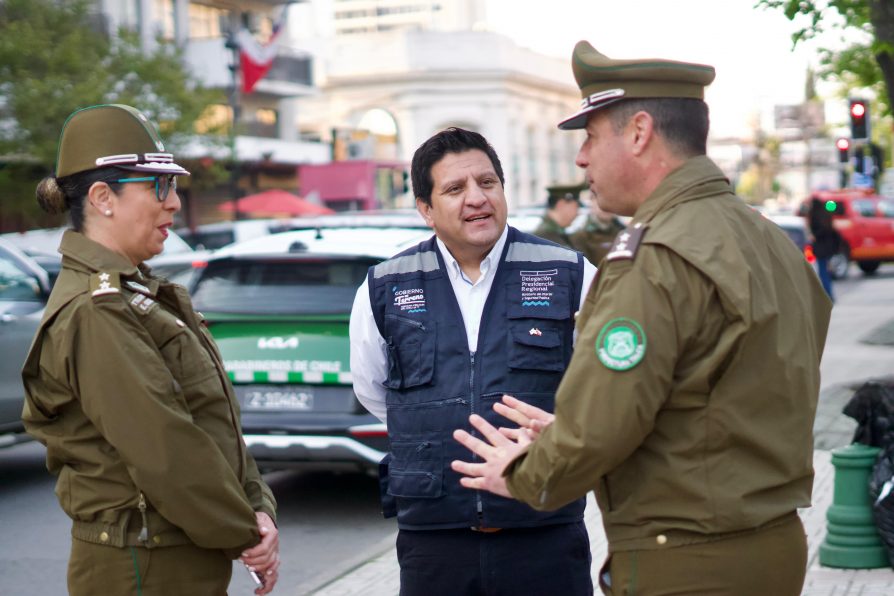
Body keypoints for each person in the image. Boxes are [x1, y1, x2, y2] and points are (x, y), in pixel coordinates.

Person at [450, 42, 832, 596]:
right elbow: (725, 397)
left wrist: (525, 472)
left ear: (639, 132)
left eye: (591, 136)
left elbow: (600, 431)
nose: (581, 158)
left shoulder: (655, 257)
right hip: (772, 543)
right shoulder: (767, 239)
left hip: (689, 562)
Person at [21, 104, 280, 595]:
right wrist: (246, 532)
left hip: (173, 555)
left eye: (174, 186)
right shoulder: (96, 310)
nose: (174, 204)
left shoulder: (137, 294)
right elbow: (165, 447)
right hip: (142, 566)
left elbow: (211, 419)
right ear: (103, 198)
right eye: (158, 187)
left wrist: (258, 505)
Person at [349, 127, 597, 595]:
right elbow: (372, 388)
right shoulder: (385, 287)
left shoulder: (571, 274)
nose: (477, 198)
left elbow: (605, 391)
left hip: (544, 531)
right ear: (425, 208)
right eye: (455, 189)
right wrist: (440, 423)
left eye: (487, 183)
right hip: (435, 542)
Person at [571, 191, 627, 265]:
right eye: (602, 200)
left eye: (611, 201)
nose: (607, 206)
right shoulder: (580, 236)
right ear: (591, 202)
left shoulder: (624, 233)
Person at [807, 195, 843, 301]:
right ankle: (829, 294)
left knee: (823, 272)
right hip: (828, 248)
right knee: (826, 272)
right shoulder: (826, 215)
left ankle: (828, 295)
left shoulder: (815, 216)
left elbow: (819, 232)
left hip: (820, 248)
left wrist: (814, 236)